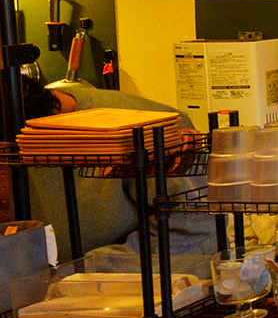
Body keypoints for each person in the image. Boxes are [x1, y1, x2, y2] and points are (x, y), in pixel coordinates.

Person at [20, 79, 217, 264]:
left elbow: (195, 231)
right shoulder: (20, 129)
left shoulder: (145, 126)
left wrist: (89, 269)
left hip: (155, 283)